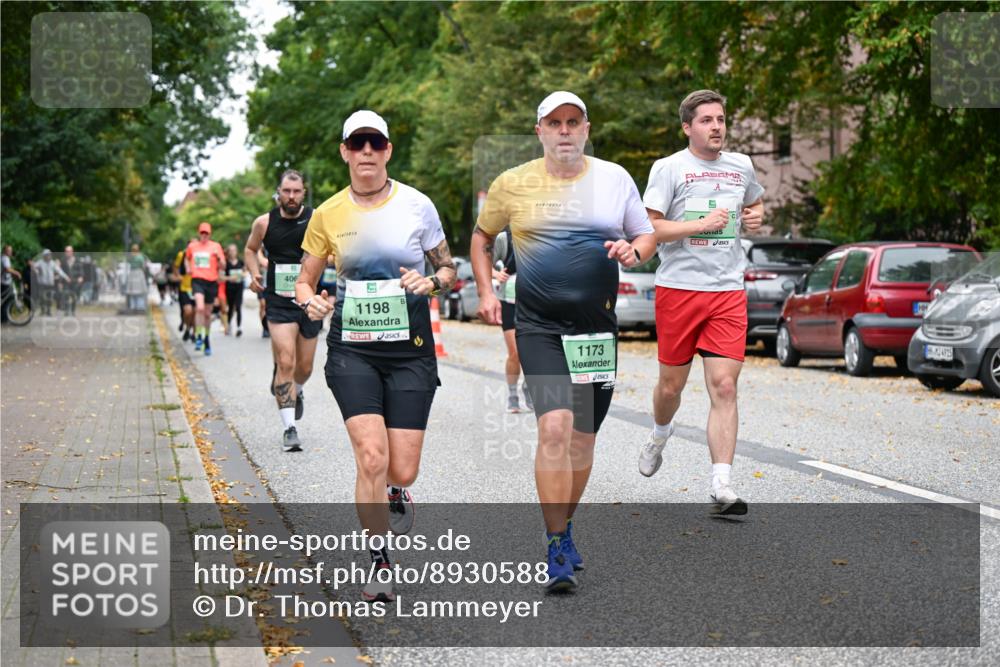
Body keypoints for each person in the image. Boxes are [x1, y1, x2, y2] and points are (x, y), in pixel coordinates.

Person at [472, 92, 655, 593]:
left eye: (574, 122)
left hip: (596, 330)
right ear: (540, 131)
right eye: (555, 123)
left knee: (582, 440)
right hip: (539, 327)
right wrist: (487, 291)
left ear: (587, 128)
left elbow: (646, 235)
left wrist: (634, 251)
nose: (565, 131)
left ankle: (566, 524)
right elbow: (482, 238)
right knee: (554, 428)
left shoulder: (614, 178)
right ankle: (555, 545)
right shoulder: (513, 184)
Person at [294, 110, 456, 602]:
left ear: (387, 150)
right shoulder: (327, 214)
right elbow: (304, 279)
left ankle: (395, 489)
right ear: (344, 151)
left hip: (410, 351)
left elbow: (448, 268)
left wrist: (430, 281)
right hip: (352, 351)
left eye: (376, 143)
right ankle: (379, 561)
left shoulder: (417, 205)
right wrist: (310, 300)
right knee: (371, 456)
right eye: (357, 143)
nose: (367, 151)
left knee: (401, 469)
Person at [638, 89, 765, 516]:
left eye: (721, 119)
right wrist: (698, 224)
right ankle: (659, 433)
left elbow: (756, 202)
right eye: (707, 120)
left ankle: (722, 484)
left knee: (725, 386)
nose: (716, 127)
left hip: (727, 290)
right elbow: (651, 229)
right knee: (670, 387)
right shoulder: (669, 168)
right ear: (688, 127)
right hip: (679, 289)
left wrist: (756, 215)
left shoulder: (741, 166)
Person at [245, 170, 321, 452]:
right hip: (278, 300)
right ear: (278, 192)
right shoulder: (264, 223)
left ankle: (297, 391)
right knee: (286, 362)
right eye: (286, 191)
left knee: (305, 367)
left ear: (304, 192)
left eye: (296, 191)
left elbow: (333, 251)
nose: (291, 196)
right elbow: (250, 250)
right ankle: (290, 427)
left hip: (309, 300)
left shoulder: (316, 220)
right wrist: (254, 274)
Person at [491, 227, 533, 413]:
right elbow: (485, 263)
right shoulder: (504, 238)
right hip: (509, 301)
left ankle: (529, 388)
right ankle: (512, 394)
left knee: (533, 351)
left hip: (534, 302)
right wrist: (496, 274)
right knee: (515, 352)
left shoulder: (541, 234)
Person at [185, 223, 226, 355]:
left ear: (210, 234)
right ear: (199, 233)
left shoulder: (216, 246)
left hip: (211, 282)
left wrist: (218, 257)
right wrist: (188, 268)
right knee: (200, 308)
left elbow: (223, 265)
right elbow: (187, 258)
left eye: (206, 233)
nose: (204, 235)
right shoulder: (192, 246)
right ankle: (198, 336)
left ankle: (206, 338)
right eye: (202, 233)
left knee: (208, 314)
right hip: (197, 280)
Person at [172, 242, 196, 341]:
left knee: (196, 312)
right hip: (185, 288)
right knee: (187, 311)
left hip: (197, 287)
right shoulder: (182, 255)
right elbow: (175, 266)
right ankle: (187, 327)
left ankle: (193, 333)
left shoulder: (200, 255)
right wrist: (178, 276)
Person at [33, 249, 68, 316]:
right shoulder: (40, 262)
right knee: (42, 297)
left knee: (50, 298)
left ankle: (48, 311)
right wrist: (36, 271)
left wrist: (66, 277)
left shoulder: (52, 263)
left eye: (50, 255)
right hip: (42, 284)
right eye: (48, 255)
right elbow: (33, 266)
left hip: (50, 284)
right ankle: (43, 310)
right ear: (44, 256)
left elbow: (59, 271)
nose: (49, 256)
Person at [223, 244, 245, 336]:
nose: (232, 252)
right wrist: (230, 278)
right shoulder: (226, 264)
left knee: (239, 306)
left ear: (236, 252)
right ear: (228, 252)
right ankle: (228, 324)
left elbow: (246, 271)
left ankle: (239, 327)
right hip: (229, 288)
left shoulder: (240, 262)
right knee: (231, 307)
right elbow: (221, 277)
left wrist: (243, 275)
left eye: (234, 250)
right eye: (231, 250)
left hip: (239, 287)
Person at [125, 243, 150, 312]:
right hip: (139, 273)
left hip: (132, 273)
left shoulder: (130, 256)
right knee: (140, 291)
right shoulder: (140, 256)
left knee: (132, 290)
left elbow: (128, 262)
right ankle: (140, 306)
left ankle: (133, 306)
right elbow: (143, 266)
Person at [60, 246, 85, 315]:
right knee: (66, 296)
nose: (67, 253)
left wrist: (81, 277)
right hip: (66, 281)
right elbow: (61, 272)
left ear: (72, 252)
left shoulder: (77, 260)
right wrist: (61, 282)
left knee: (74, 296)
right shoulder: (63, 261)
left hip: (75, 281)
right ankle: (67, 311)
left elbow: (81, 270)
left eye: (69, 251)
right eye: (66, 251)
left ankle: (73, 310)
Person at [1, 245, 22, 323]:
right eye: (9, 250)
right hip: (4, 282)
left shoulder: (4, 258)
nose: (10, 252)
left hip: (4, 281)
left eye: (11, 250)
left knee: (6, 299)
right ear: (5, 251)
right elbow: (7, 269)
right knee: (8, 300)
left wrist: (12, 273)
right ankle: (4, 319)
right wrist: (17, 273)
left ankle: (4, 318)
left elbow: (8, 269)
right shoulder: (5, 258)